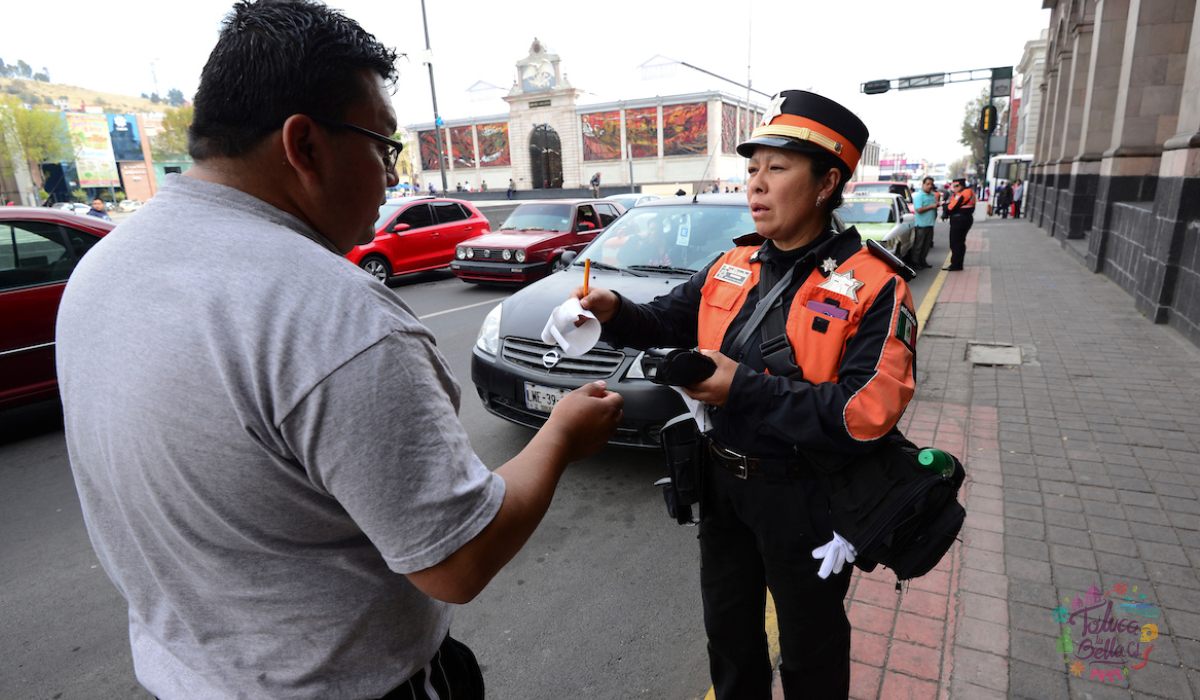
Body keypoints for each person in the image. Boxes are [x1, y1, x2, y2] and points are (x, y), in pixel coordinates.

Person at [55, 2, 623, 698]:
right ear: (305, 145)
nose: (391, 177)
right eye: (382, 146)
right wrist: (561, 435)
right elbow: (456, 561)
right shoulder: (338, 317)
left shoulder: (102, 269)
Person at [576, 90, 916, 699]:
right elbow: (666, 318)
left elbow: (864, 413)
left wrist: (743, 388)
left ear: (826, 183)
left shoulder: (875, 284)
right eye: (753, 168)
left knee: (811, 651)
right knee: (729, 637)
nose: (755, 184)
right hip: (722, 486)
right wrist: (612, 309)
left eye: (776, 168)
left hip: (806, 498)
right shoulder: (733, 263)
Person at [943, 178, 976, 271]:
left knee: (955, 243)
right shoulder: (968, 192)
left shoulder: (962, 194)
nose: (954, 188)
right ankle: (958, 264)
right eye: (953, 186)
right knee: (960, 242)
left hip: (959, 220)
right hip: (964, 219)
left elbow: (951, 207)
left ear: (961, 185)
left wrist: (945, 208)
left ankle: (956, 265)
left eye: (956, 186)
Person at [910, 176, 938, 269]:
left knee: (927, 246)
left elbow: (934, 208)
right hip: (921, 225)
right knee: (919, 246)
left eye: (931, 184)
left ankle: (923, 261)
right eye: (927, 184)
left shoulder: (932, 195)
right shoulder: (919, 196)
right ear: (923, 184)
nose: (930, 186)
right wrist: (932, 206)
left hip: (930, 224)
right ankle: (915, 263)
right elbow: (919, 210)